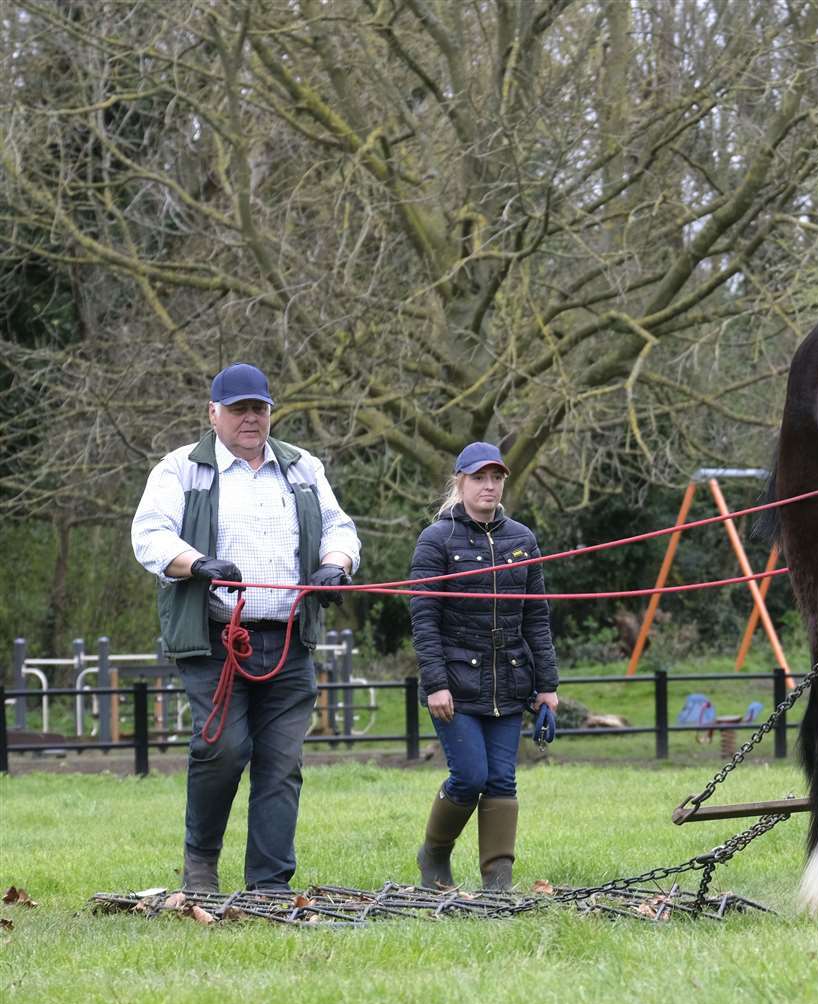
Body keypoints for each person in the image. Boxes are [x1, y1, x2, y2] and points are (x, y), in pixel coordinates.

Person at [131, 363, 360, 894]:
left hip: (287, 639)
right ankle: (201, 864)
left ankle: (270, 883)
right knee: (224, 748)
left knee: (282, 761)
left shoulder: (303, 467)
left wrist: (336, 563)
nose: (250, 419)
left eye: (259, 408)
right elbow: (149, 534)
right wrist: (196, 563)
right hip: (215, 640)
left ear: (270, 412)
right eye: (238, 410)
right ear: (214, 413)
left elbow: (339, 526)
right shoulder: (181, 469)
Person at [409, 441, 560, 892]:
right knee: (469, 776)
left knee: (501, 779)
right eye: (479, 478)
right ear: (460, 483)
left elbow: (537, 617)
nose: (489, 486)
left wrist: (547, 686)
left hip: (510, 681)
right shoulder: (436, 540)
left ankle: (498, 881)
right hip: (455, 683)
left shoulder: (523, 539)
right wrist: (435, 682)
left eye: (496, 478)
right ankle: (433, 854)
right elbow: (423, 617)